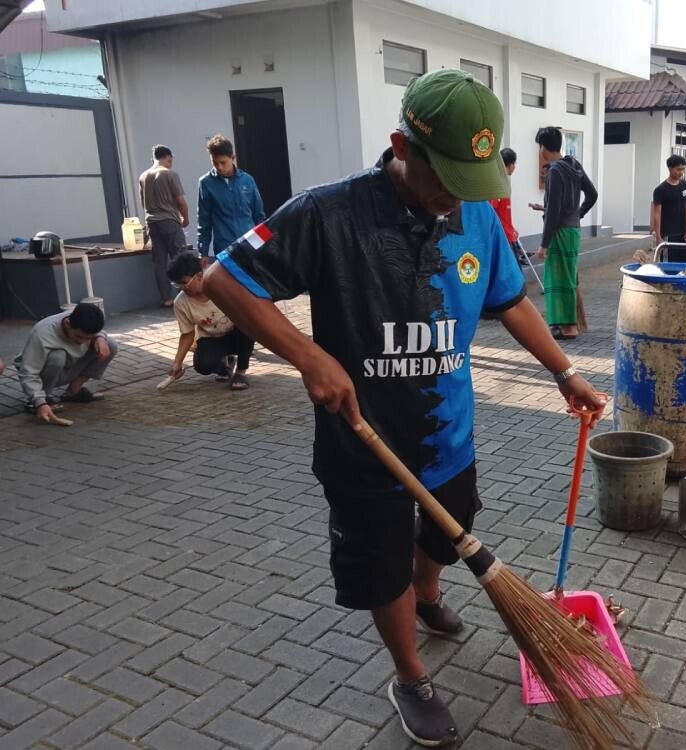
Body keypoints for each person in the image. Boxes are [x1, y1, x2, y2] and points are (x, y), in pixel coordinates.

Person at [201, 69, 607, 747]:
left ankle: (429, 594)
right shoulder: (327, 213)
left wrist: (563, 371)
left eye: (472, 180)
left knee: (451, 530)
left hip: (448, 432)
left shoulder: (472, 211)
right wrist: (308, 355)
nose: (459, 197)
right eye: (446, 175)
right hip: (364, 439)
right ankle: (410, 674)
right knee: (380, 561)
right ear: (400, 146)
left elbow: (509, 300)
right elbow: (223, 277)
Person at [534, 126, 598, 340]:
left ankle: (567, 326)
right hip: (573, 231)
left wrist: (543, 243)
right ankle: (568, 324)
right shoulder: (573, 165)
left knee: (556, 278)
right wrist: (577, 214)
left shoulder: (554, 170)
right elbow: (592, 194)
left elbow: (553, 210)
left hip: (559, 232)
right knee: (569, 276)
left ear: (544, 147)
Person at [14, 302, 117, 424]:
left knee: (110, 344)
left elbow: (99, 332)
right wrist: (40, 402)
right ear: (68, 324)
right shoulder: (42, 333)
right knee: (57, 356)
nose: (82, 342)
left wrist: (100, 338)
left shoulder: (82, 319)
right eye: (78, 336)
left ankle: (74, 391)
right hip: (45, 371)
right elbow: (28, 372)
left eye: (88, 338)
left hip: (70, 365)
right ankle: (40, 400)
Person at [166, 252, 253, 390]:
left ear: (199, 276)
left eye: (184, 282)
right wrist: (177, 363)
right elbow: (187, 334)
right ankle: (224, 367)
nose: (182, 288)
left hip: (237, 332)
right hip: (211, 338)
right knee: (202, 365)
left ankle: (241, 372)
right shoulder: (180, 303)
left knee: (249, 325)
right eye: (177, 285)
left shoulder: (223, 285)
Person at [196, 134, 265, 258]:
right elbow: (204, 222)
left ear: (232, 158)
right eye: (215, 163)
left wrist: (265, 244)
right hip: (224, 248)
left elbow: (259, 215)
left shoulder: (247, 180)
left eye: (223, 162)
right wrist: (203, 253)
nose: (219, 167)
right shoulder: (206, 183)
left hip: (250, 245)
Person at [138, 144, 190, 307]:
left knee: (159, 262)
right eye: (171, 158)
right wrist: (185, 218)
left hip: (152, 222)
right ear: (168, 157)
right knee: (180, 258)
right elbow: (181, 201)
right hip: (170, 221)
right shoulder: (170, 174)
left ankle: (166, 299)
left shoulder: (143, 176)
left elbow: (143, 203)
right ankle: (185, 294)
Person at [487, 148, 529, 265]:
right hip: (503, 238)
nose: (514, 167)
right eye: (514, 164)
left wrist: (511, 227)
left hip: (508, 235)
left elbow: (503, 213)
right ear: (511, 165)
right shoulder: (498, 184)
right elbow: (493, 212)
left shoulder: (503, 182)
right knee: (512, 273)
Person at [651, 154, 686, 261]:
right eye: (678, 169)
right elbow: (656, 213)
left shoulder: (684, 185)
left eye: (683, 169)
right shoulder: (660, 190)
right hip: (668, 235)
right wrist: (658, 237)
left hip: (682, 234)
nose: (681, 173)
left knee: (685, 264)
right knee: (668, 265)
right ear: (670, 168)